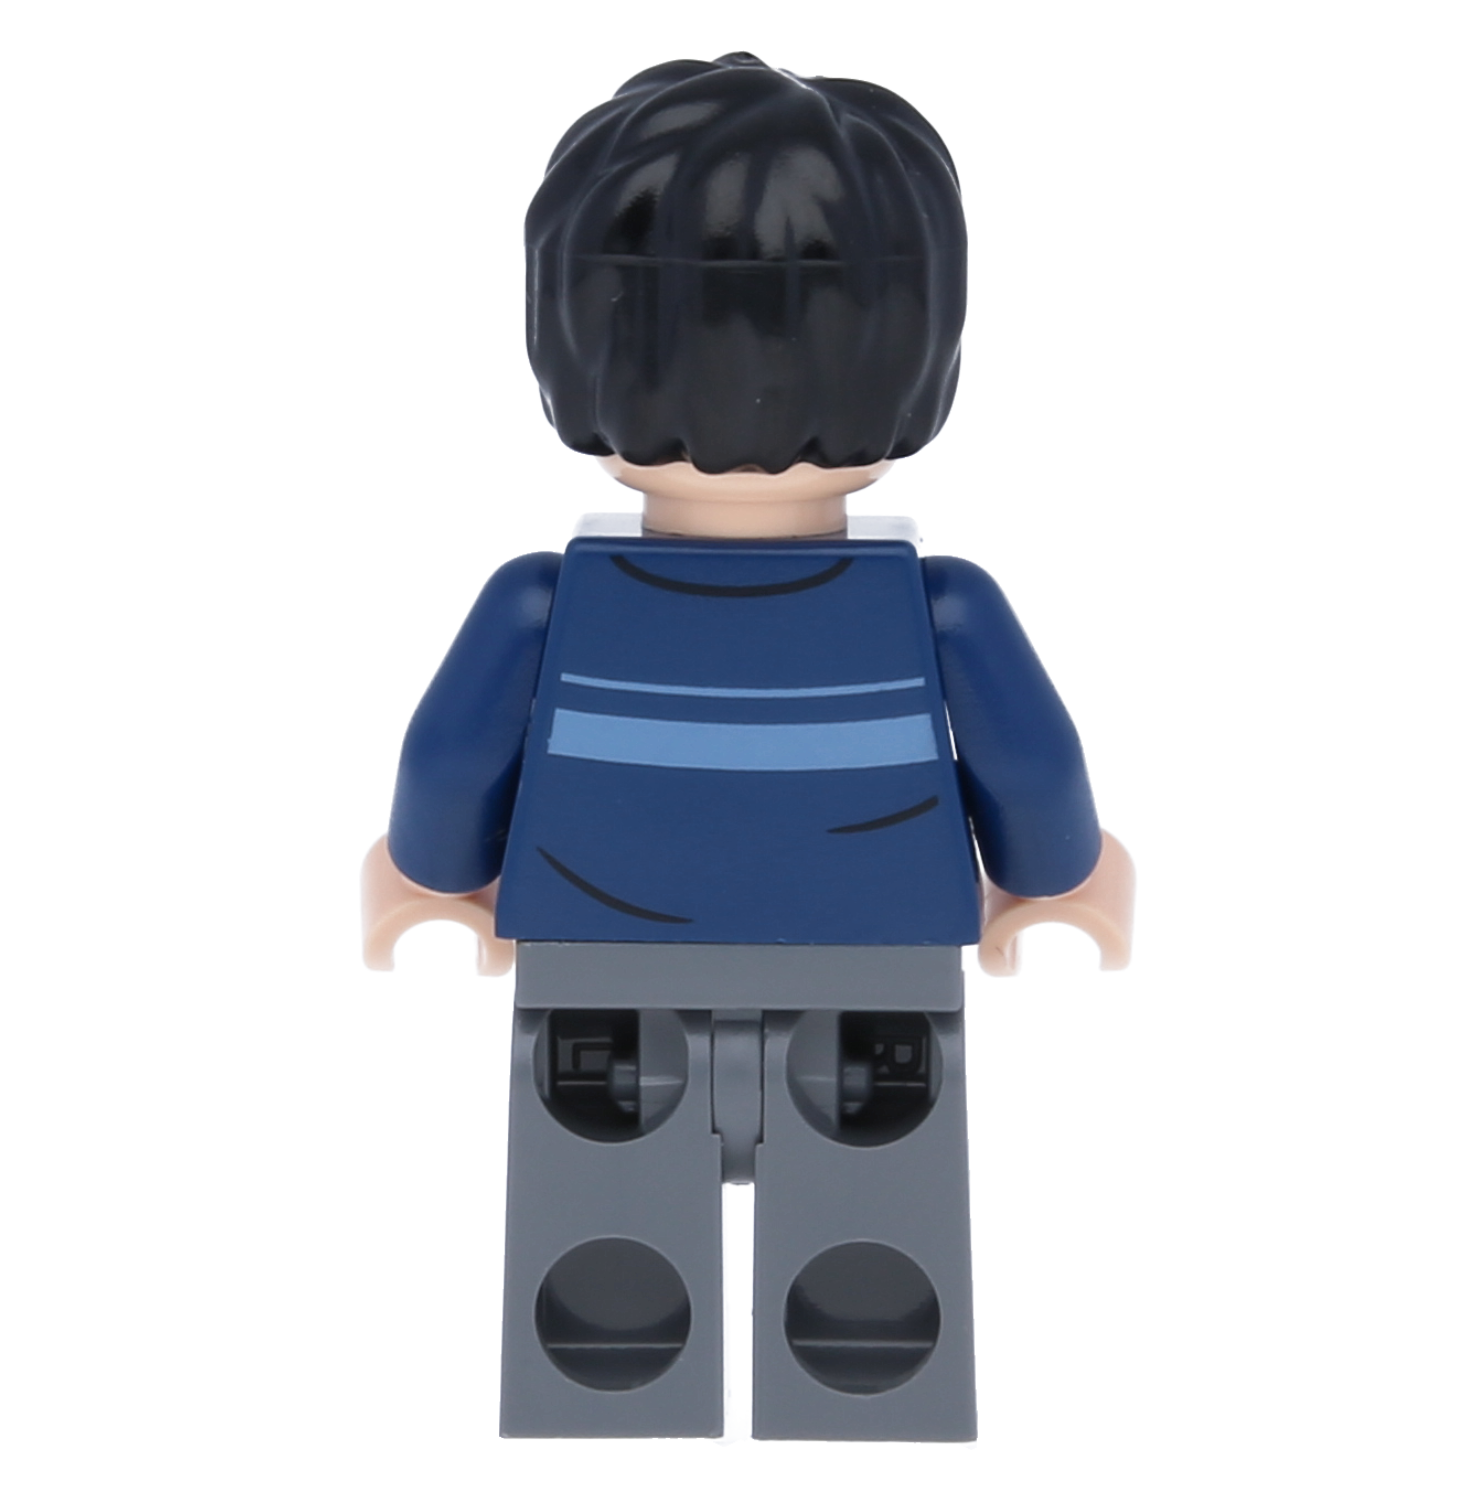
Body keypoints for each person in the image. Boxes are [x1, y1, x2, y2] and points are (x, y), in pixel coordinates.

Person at [362, 52, 1133, 1441]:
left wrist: (428, 877)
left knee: (600, 1223)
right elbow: (1032, 768)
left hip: (601, 943)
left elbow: (447, 765)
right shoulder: (937, 606)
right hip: (874, 950)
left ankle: (609, 1386)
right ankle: (866, 1388)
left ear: (576, 336)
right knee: (874, 1214)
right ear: (915, 347)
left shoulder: (546, 601)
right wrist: (1060, 878)